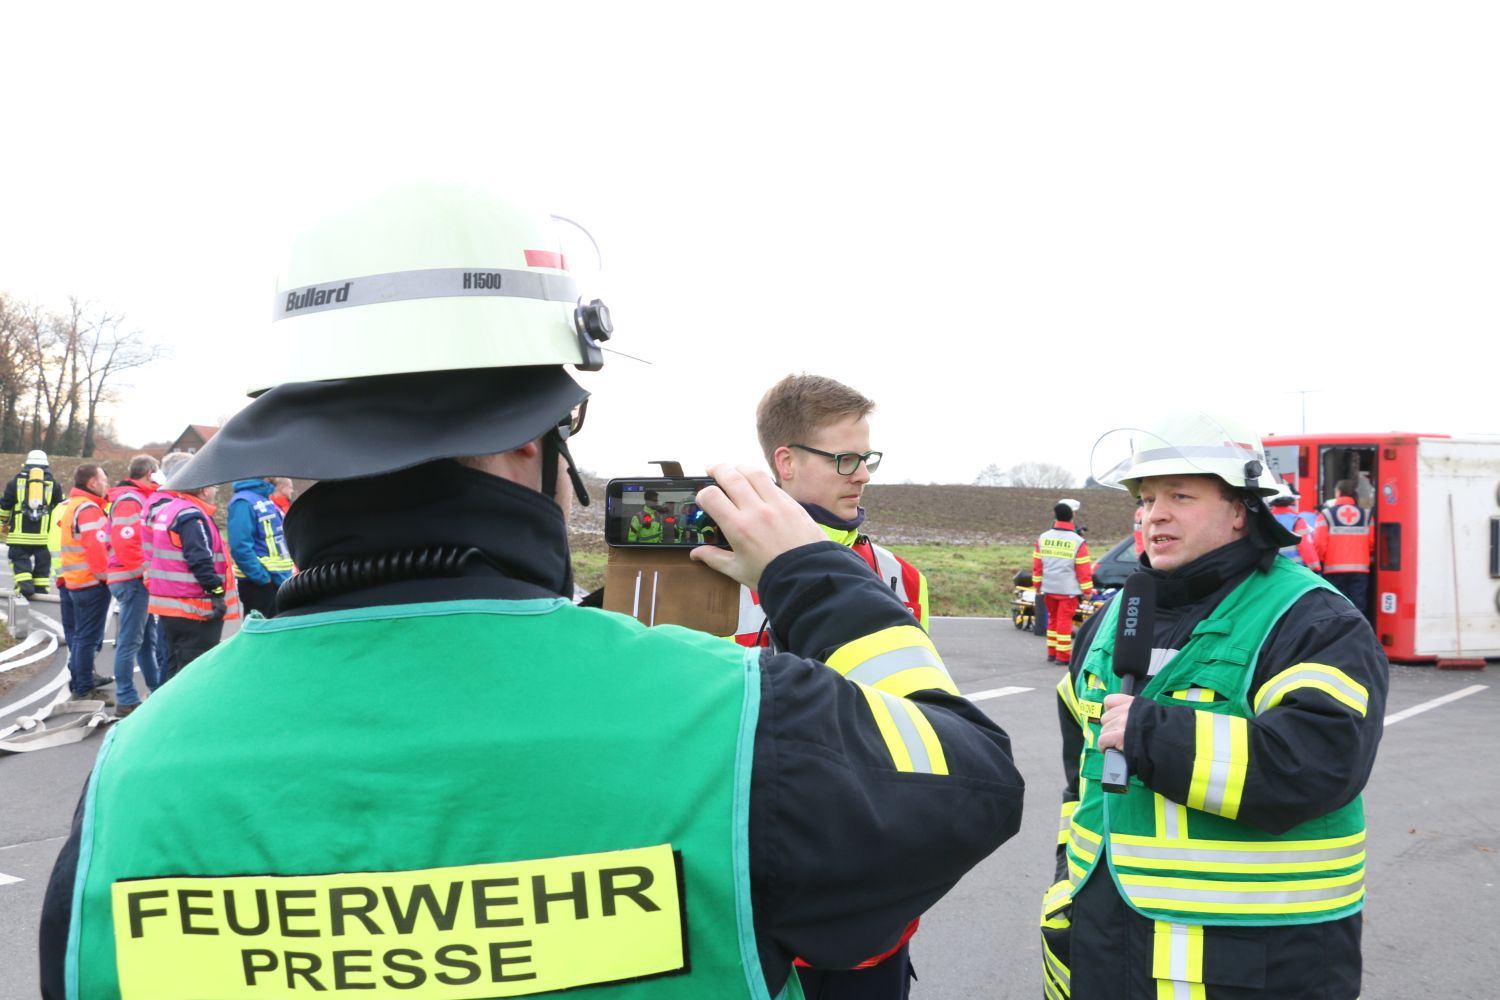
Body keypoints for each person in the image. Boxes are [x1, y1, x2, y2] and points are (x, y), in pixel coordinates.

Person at [39, 180, 1025, 1000]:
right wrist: (813, 575)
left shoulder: (137, 770)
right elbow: (970, 778)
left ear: (298, 436)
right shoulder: (735, 721)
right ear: (531, 430)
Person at [1042, 413, 1387, 999]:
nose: (1156, 515)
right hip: (1104, 946)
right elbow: (1081, 782)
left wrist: (1151, 734)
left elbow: (1318, 763)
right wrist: (1064, 890)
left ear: (1241, 510)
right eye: (1148, 499)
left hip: (1257, 963)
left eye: (1181, 495)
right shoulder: (1107, 622)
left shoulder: (1313, 621)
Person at [732, 372, 931, 998]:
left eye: (866, 457)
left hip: (863, 892)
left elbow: (920, 726)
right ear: (786, 463)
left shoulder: (900, 577)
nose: (863, 474)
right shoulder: (710, 571)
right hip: (738, 881)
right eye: (844, 458)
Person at [144, 477, 240, 679]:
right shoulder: (191, 516)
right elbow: (200, 559)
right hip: (193, 606)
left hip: (171, 604)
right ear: (204, 489)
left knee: (174, 665)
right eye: (214, 486)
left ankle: (165, 709)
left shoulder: (170, 510)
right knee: (195, 671)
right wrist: (216, 593)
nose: (215, 491)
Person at [104, 455, 162, 716]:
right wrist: (145, 572)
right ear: (150, 473)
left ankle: (157, 689)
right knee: (130, 641)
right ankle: (126, 698)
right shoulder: (131, 500)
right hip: (132, 580)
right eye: (158, 471)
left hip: (131, 579)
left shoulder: (135, 498)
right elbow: (126, 541)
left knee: (146, 639)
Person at [56, 464, 114, 704]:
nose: (107, 485)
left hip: (76, 581)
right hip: (91, 583)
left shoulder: (74, 505)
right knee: (88, 638)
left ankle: (82, 681)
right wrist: (106, 578)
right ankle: (84, 688)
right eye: (103, 480)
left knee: (81, 637)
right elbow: (96, 548)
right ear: (92, 483)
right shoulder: (89, 509)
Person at [1032, 500, 1093, 665]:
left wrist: (1037, 586)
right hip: (1068, 590)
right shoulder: (1077, 541)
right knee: (1064, 622)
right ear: (1071, 517)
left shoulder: (1043, 538)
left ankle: (1051, 652)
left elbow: (1037, 566)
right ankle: (1063, 656)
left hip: (1049, 587)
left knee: (1052, 619)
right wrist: (1087, 590)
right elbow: (1083, 568)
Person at [227, 476, 295, 618]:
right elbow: (240, 545)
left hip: (277, 579)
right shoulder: (243, 501)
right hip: (260, 584)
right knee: (261, 634)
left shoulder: (264, 498)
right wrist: (262, 578)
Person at [2, 449, 62, 598]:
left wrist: (4, 522)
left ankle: (24, 585)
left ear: (26, 464)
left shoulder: (15, 482)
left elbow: (4, 506)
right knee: (43, 564)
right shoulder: (54, 484)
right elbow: (59, 508)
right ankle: (41, 589)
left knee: (19, 559)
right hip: (43, 538)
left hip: (19, 536)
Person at [1312, 478, 1374, 621]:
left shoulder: (1326, 515)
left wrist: (1321, 561)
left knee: (1336, 607)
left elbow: (1320, 544)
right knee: (1358, 607)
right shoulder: (1366, 515)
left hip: (1333, 570)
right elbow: (1371, 542)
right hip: (1360, 570)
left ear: (1338, 492)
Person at [1268, 480, 1321, 572]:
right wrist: (1315, 568)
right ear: (1290, 500)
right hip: (1294, 571)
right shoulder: (1297, 521)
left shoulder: (1265, 520)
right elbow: (1305, 546)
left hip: (1270, 570)